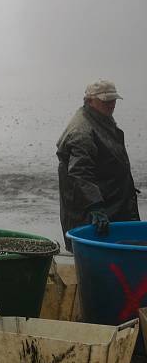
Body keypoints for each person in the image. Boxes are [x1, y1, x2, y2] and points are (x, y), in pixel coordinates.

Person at [57, 79, 140, 250]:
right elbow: (80, 172)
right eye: (105, 100)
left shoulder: (101, 119)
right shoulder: (81, 131)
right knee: (99, 251)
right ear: (89, 100)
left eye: (113, 100)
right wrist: (95, 206)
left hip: (113, 200)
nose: (111, 104)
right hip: (93, 209)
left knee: (122, 251)